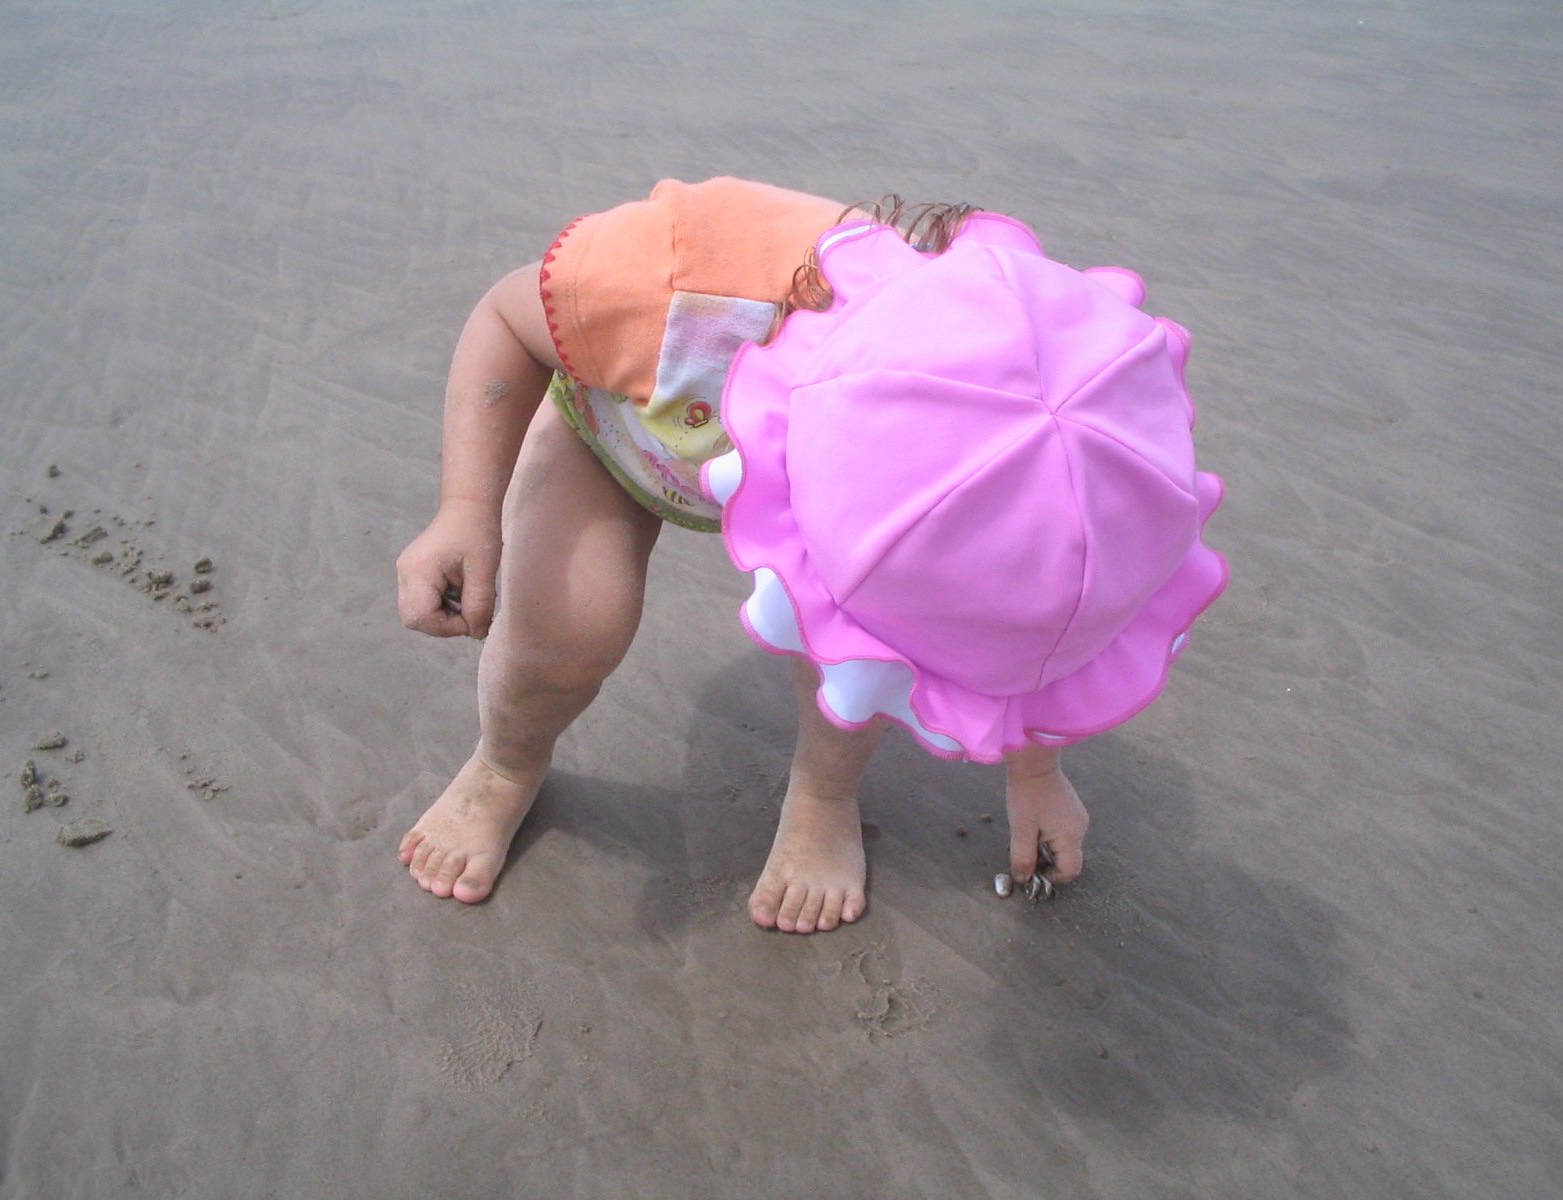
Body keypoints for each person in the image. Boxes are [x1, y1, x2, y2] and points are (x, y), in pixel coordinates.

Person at [394, 177, 1226, 934]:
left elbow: (1021, 625)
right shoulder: (674, 283)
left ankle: (822, 799)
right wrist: (466, 510)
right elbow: (505, 321)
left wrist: (1034, 773)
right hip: (628, 431)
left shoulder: (1048, 415)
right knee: (572, 627)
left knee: (848, 668)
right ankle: (504, 763)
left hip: (808, 477)